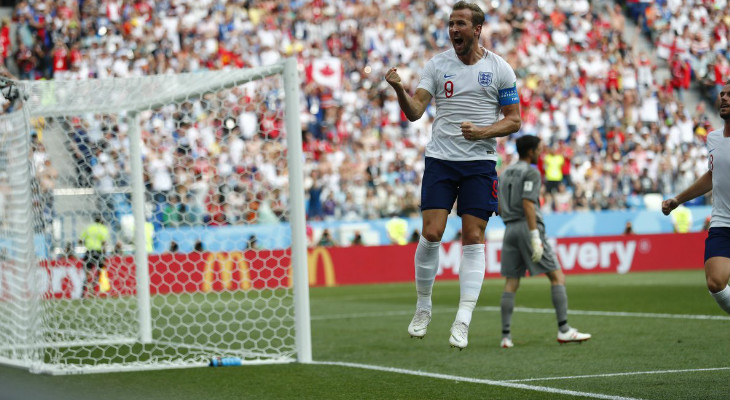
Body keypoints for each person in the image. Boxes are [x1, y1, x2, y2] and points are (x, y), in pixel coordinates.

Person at [385, 1, 521, 349]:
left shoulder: (500, 69)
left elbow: (514, 119)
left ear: (477, 29)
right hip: (441, 160)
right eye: (451, 24)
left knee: (473, 237)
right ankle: (423, 307)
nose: (453, 30)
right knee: (432, 232)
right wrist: (400, 89)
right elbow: (415, 111)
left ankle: (463, 320)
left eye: (460, 24)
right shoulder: (437, 64)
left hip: (479, 163)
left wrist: (482, 132)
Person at [497, 136, 591, 348]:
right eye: (539, 149)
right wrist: (534, 236)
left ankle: (505, 336)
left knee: (511, 281)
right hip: (526, 226)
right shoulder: (531, 171)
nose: (541, 152)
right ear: (530, 152)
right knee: (557, 276)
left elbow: (500, 205)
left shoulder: (503, 173)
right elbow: (528, 204)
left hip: (509, 228)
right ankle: (564, 329)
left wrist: (510, 224)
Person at [662, 82, 730, 315]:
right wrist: (678, 200)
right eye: (723, 94)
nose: (724, 98)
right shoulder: (713, 139)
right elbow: (712, 176)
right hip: (722, 222)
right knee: (715, 283)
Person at [80, 214, 109, 298]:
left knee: (87, 273)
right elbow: (104, 243)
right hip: (99, 252)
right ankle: (93, 288)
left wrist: (86, 244)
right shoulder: (103, 228)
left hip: (89, 252)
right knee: (99, 272)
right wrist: (104, 254)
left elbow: (80, 240)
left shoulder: (89, 228)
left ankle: (84, 293)